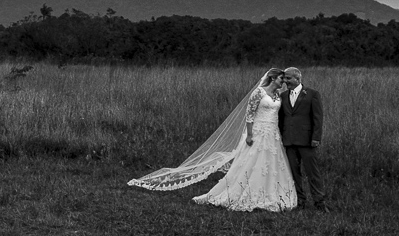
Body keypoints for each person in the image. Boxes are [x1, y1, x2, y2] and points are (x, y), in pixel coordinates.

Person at [128, 68, 298, 212]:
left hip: (273, 133)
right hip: (259, 131)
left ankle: (272, 193)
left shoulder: (278, 94)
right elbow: (250, 114)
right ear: (273, 78)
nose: (283, 81)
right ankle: (244, 192)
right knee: (253, 163)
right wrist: (250, 134)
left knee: (272, 163)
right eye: (282, 78)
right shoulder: (258, 92)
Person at [277, 67, 327, 211]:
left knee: (313, 173)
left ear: (298, 79)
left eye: (288, 78)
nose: (286, 82)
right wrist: (282, 136)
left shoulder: (312, 94)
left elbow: (318, 118)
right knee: (294, 173)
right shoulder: (283, 96)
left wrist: (316, 138)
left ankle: (319, 202)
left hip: (307, 141)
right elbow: (281, 119)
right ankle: (300, 201)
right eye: (285, 79)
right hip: (289, 141)